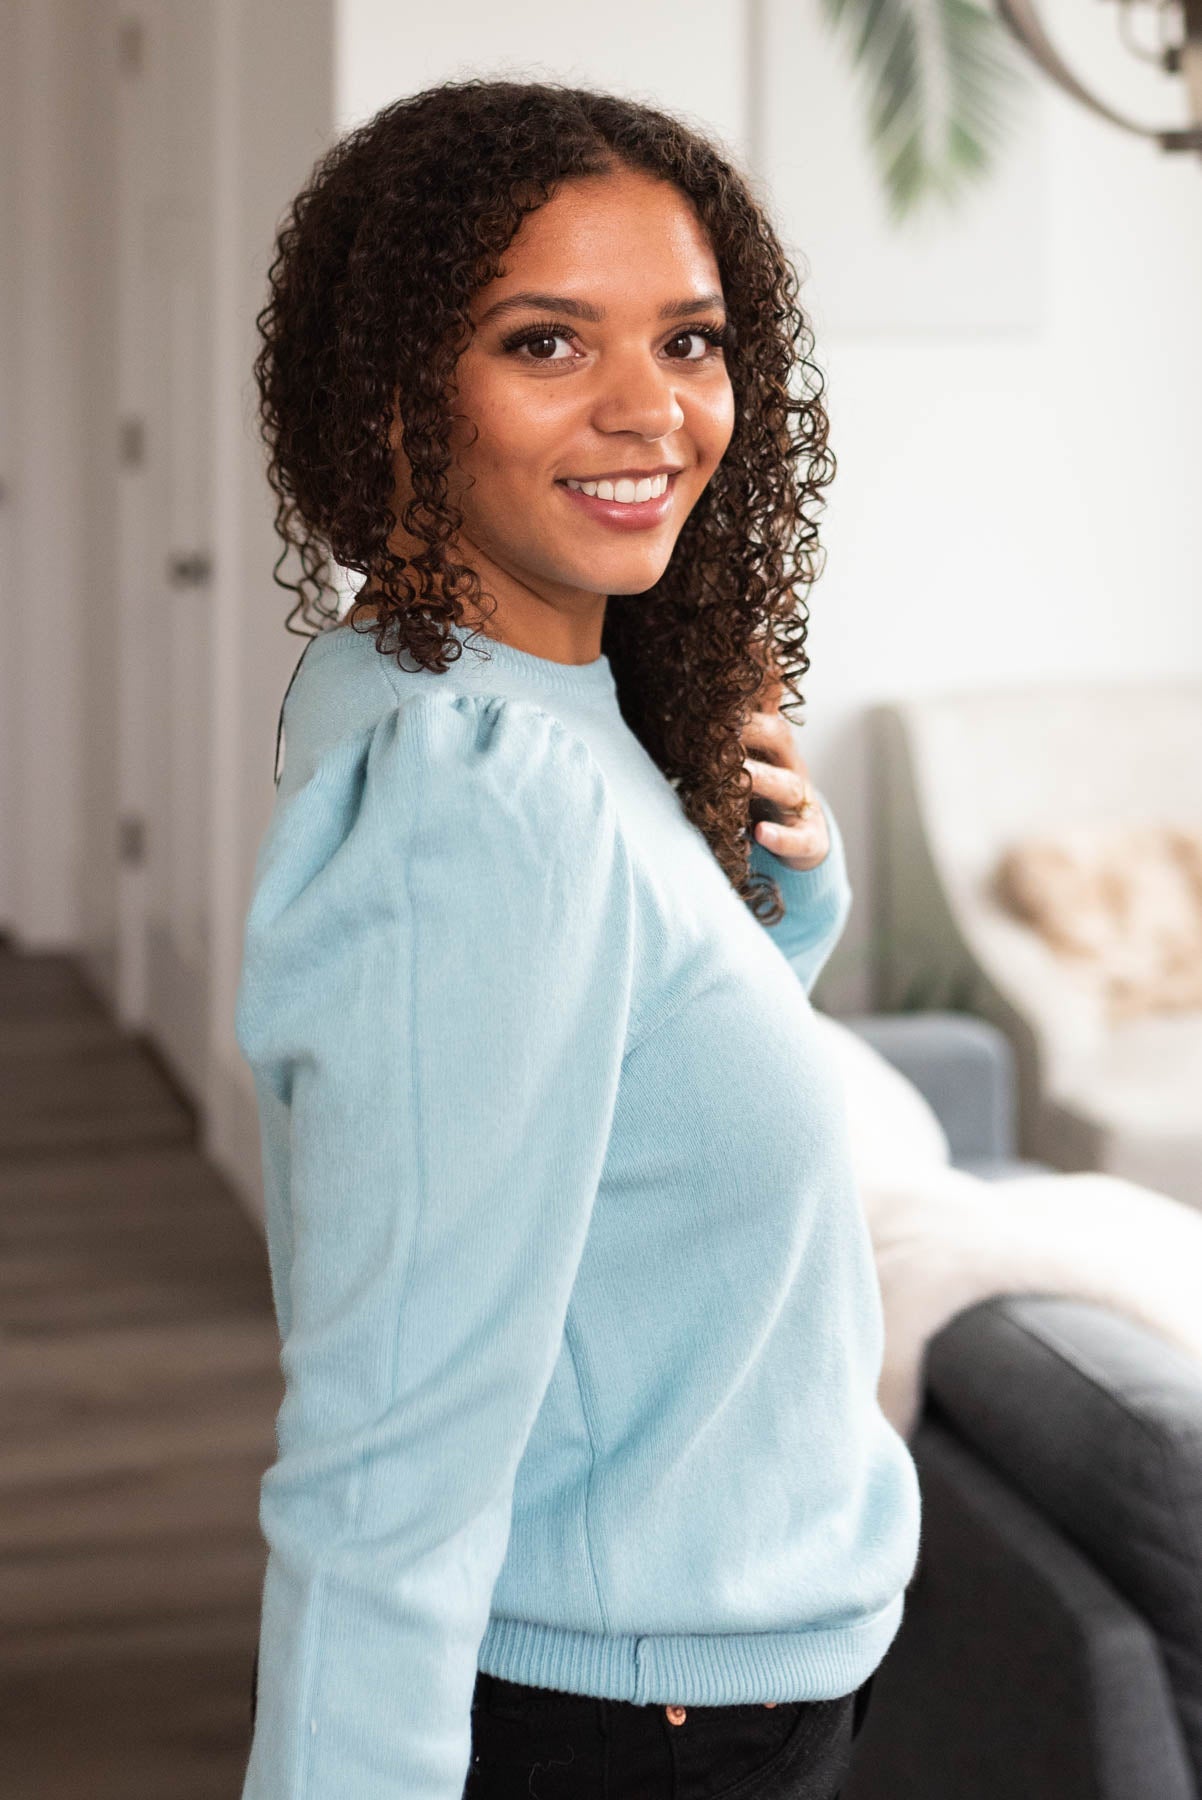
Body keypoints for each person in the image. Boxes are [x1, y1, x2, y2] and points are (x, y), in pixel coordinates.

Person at [236, 77, 922, 1800]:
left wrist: (776, 901)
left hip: (702, 1664)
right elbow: (387, 1440)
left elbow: (605, 1115)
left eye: (688, 341)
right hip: (635, 1725)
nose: (652, 411)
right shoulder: (481, 793)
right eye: (546, 344)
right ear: (398, 394)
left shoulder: (468, 678)